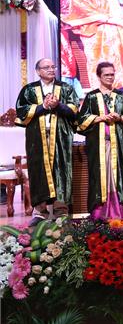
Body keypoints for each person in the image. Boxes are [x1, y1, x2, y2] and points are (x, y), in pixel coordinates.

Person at [14, 59, 79, 223]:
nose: (51, 69)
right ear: (38, 71)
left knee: (62, 170)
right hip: (37, 136)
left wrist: (58, 105)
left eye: (53, 67)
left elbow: (74, 110)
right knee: (38, 171)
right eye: (46, 67)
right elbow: (21, 111)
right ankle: (40, 212)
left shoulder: (66, 88)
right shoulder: (29, 89)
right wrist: (42, 106)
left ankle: (61, 211)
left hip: (61, 135)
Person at [76, 62, 123, 220]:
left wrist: (119, 117)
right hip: (98, 145)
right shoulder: (91, 96)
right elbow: (81, 120)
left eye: (112, 74)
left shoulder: (121, 96)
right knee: (99, 176)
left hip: (118, 144)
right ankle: (99, 213)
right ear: (99, 76)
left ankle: (118, 212)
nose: (110, 77)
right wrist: (101, 118)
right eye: (106, 75)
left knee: (118, 176)